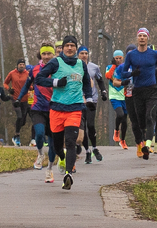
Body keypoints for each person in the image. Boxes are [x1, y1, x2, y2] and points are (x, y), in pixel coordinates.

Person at [36, 36, 92, 190]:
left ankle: (68, 174)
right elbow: (39, 79)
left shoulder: (81, 64)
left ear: (76, 48)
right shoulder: (56, 62)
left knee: (71, 142)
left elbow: (87, 83)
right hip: (57, 109)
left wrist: (90, 98)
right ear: (63, 48)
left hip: (75, 109)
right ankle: (62, 158)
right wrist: (55, 82)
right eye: (67, 45)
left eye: (72, 45)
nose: (69, 48)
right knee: (57, 145)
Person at [113, 28, 157, 159]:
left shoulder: (155, 54)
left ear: (147, 38)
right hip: (135, 92)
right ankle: (140, 143)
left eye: (144, 36)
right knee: (139, 121)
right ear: (137, 38)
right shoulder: (131, 57)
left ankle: (147, 146)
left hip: (152, 90)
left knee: (150, 116)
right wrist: (131, 74)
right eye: (140, 36)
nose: (142, 38)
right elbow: (122, 74)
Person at [18, 43, 58, 173]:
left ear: (53, 55)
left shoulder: (58, 69)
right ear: (40, 55)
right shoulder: (35, 70)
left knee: (53, 144)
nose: (46, 56)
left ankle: (50, 169)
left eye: (49, 54)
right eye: (44, 54)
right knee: (39, 134)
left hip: (54, 109)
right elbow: (26, 85)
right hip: (38, 108)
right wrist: (19, 98)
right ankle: (40, 154)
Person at [77, 46, 107, 163]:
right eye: (82, 53)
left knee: (90, 125)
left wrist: (103, 91)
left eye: (86, 53)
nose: (84, 55)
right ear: (78, 55)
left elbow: (100, 80)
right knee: (82, 128)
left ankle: (94, 148)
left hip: (92, 100)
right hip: (79, 100)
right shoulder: (75, 66)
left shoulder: (94, 67)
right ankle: (87, 151)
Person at [5, 58, 31, 146]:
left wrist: (31, 88)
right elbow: (5, 83)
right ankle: (17, 136)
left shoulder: (27, 74)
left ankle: (16, 134)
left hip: (25, 99)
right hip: (15, 98)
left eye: (23, 64)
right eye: (20, 64)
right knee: (19, 116)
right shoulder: (12, 73)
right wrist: (9, 89)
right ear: (17, 65)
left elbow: (30, 84)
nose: (22, 66)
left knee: (23, 120)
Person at [105, 50, 129, 149]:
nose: (118, 60)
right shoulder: (109, 67)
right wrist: (114, 66)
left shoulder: (125, 67)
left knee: (125, 120)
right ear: (114, 59)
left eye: (120, 58)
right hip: (114, 95)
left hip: (125, 95)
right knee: (120, 114)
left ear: (122, 58)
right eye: (116, 58)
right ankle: (116, 131)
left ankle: (123, 140)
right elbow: (108, 76)